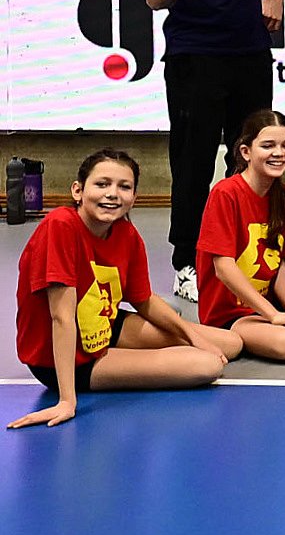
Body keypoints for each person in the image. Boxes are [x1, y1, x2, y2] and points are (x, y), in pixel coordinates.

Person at [143, 0, 281, 301]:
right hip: (195, 54)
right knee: (194, 162)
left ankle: (246, 255)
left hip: (250, 50)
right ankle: (186, 262)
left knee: (251, 158)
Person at [10, 150, 240, 429]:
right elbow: (62, 318)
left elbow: (144, 301)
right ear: (78, 190)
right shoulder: (60, 226)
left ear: (134, 197)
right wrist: (67, 400)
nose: (113, 194)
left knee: (230, 343)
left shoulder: (127, 235)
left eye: (124, 187)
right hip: (64, 356)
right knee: (207, 365)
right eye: (102, 184)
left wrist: (193, 335)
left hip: (103, 323)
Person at [196, 110, 285, 362]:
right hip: (231, 313)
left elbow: (278, 262)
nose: (279, 153)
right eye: (268, 146)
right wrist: (274, 316)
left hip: (266, 301)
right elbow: (223, 268)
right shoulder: (225, 194)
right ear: (246, 152)